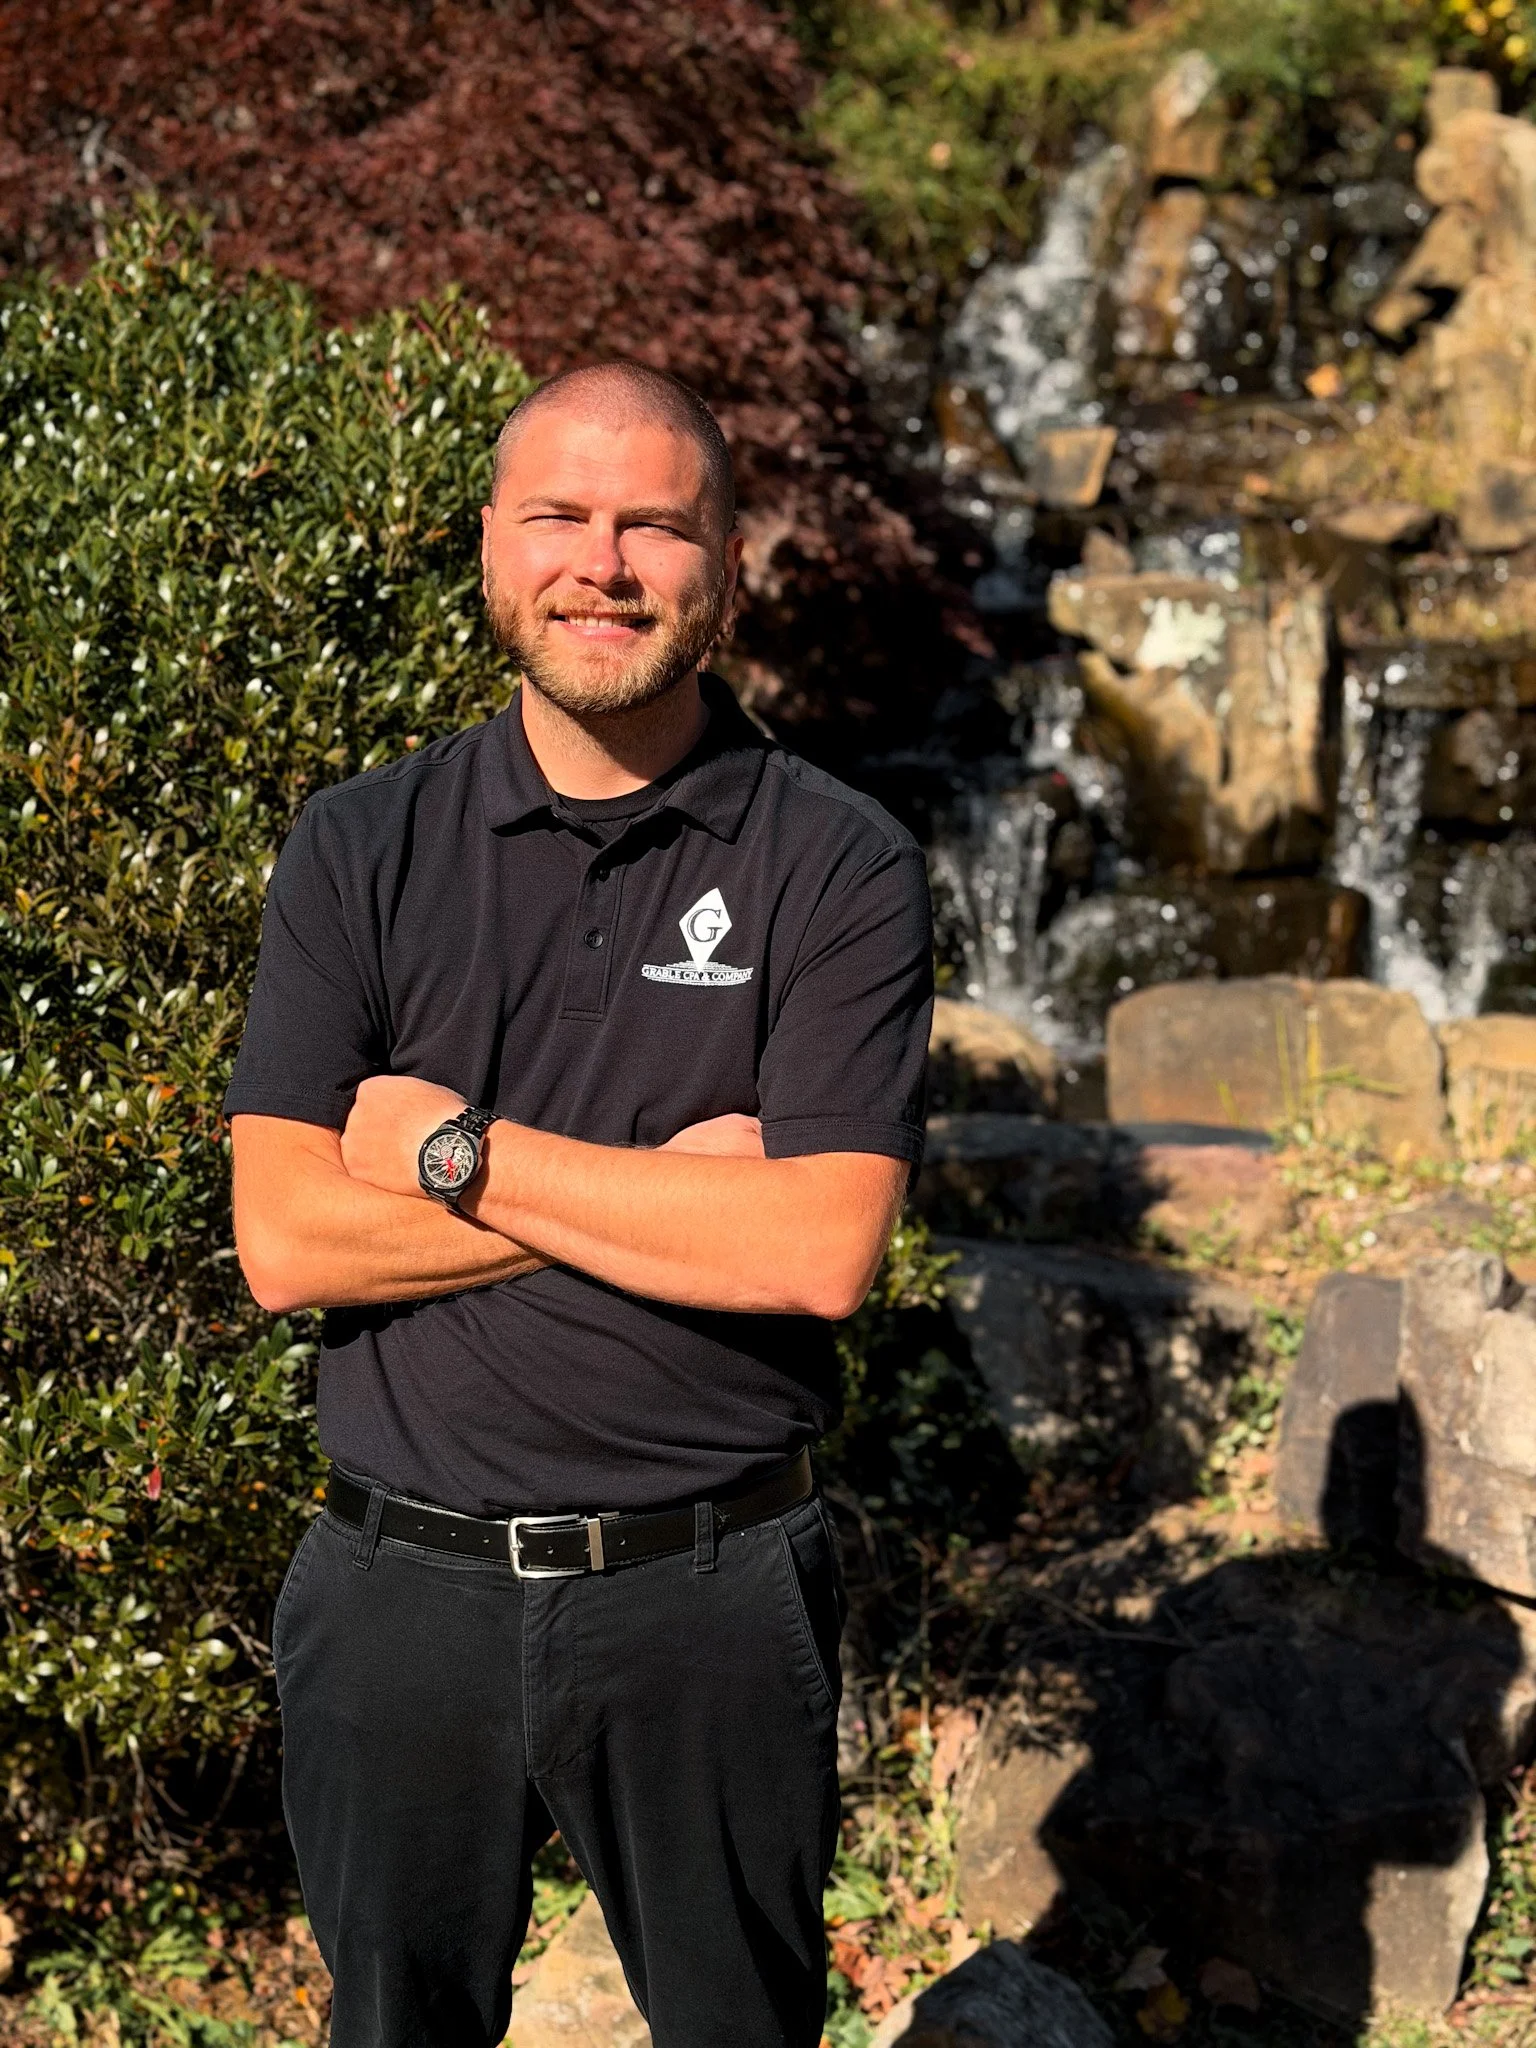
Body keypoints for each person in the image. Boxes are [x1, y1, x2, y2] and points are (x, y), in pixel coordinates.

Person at [225, 360, 933, 2048]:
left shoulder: (837, 864)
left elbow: (820, 1249)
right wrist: (671, 1197)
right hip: (399, 1589)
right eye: (559, 515)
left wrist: (458, 1152)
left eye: (653, 524)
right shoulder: (361, 845)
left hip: (708, 1593)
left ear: (726, 562)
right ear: (491, 546)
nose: (601, 562)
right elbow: (286, 1240)